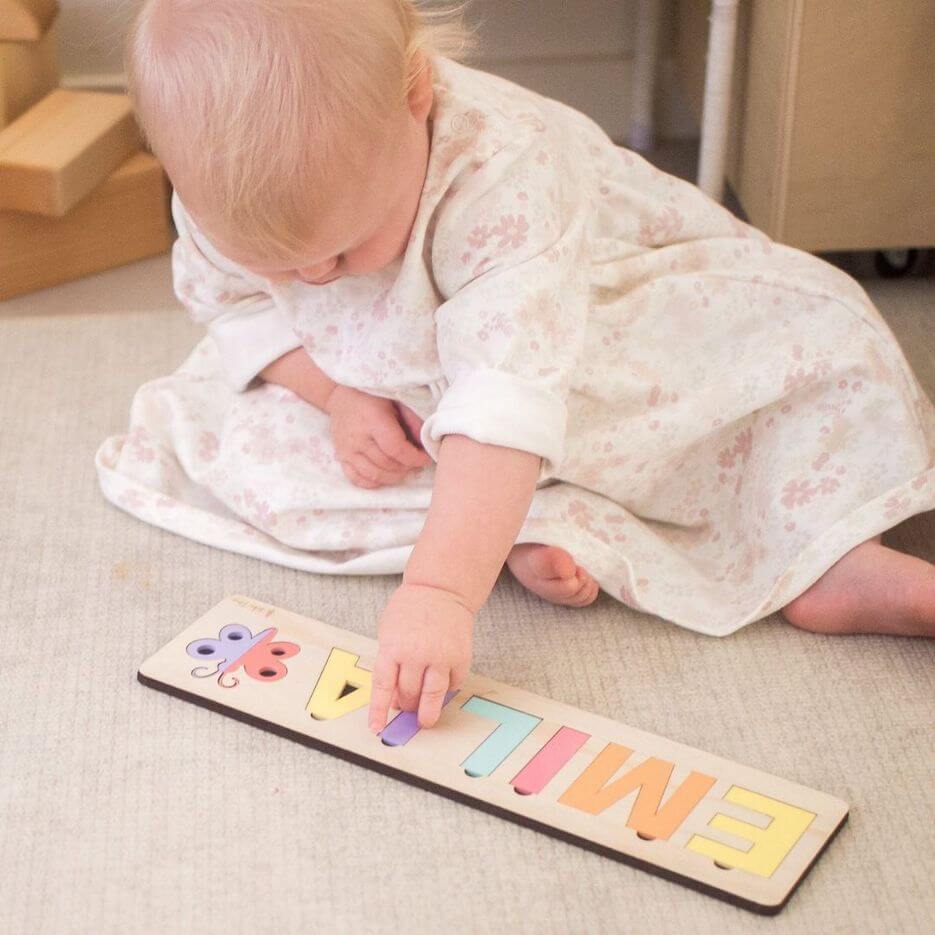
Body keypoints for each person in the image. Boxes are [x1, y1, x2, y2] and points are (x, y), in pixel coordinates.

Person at [97, 0, 935, 734]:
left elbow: (507, 396)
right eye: (283, 264)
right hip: (413, 378)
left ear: (414, 95)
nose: (313, 280)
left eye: (341, 250)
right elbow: (235, 306)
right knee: (245, 439)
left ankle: (829, 555)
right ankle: (533, 518)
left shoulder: (506, 172)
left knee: (783, 370)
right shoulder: (230, 189)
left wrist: (437, 594)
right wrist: (335, 390)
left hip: (595, 333)